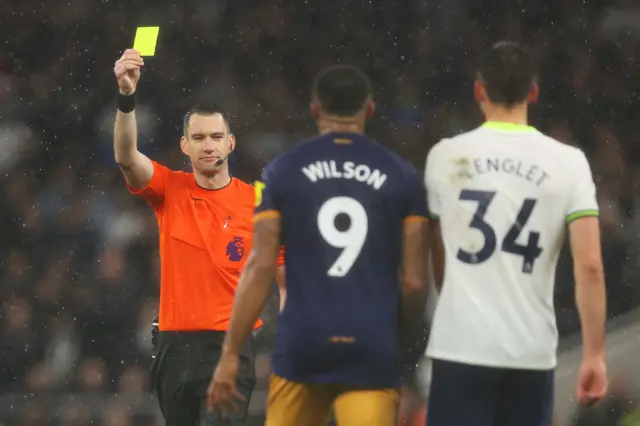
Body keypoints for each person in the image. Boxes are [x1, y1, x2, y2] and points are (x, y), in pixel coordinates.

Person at [207, 64, 430, 426]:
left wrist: (231, 352)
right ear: (369, 110)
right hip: (371, 345)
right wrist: (397, 336)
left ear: (315, 110)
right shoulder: (401, 176)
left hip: (304, 343)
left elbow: (261, 266)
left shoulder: (283, 172)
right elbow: (416, 282)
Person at [423, 41, 608, 426]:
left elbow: (436, 248)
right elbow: (589, 266)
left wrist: (455, 298)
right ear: (534, 92)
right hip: (529, 351)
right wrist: (594, 353)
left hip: (462, 346)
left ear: (479, 90)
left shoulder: (445, 156)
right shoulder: (569, 162)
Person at [112, 48, 285, 426]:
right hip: (174, 347)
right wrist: (127, 98)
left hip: (230, 345)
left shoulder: (260, 201)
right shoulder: (168, 189)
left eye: (217, 136)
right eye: (200, 137)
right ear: (185, 146)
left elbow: (286, 276)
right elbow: (126, 156)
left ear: (231, 143)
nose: (209, 144)